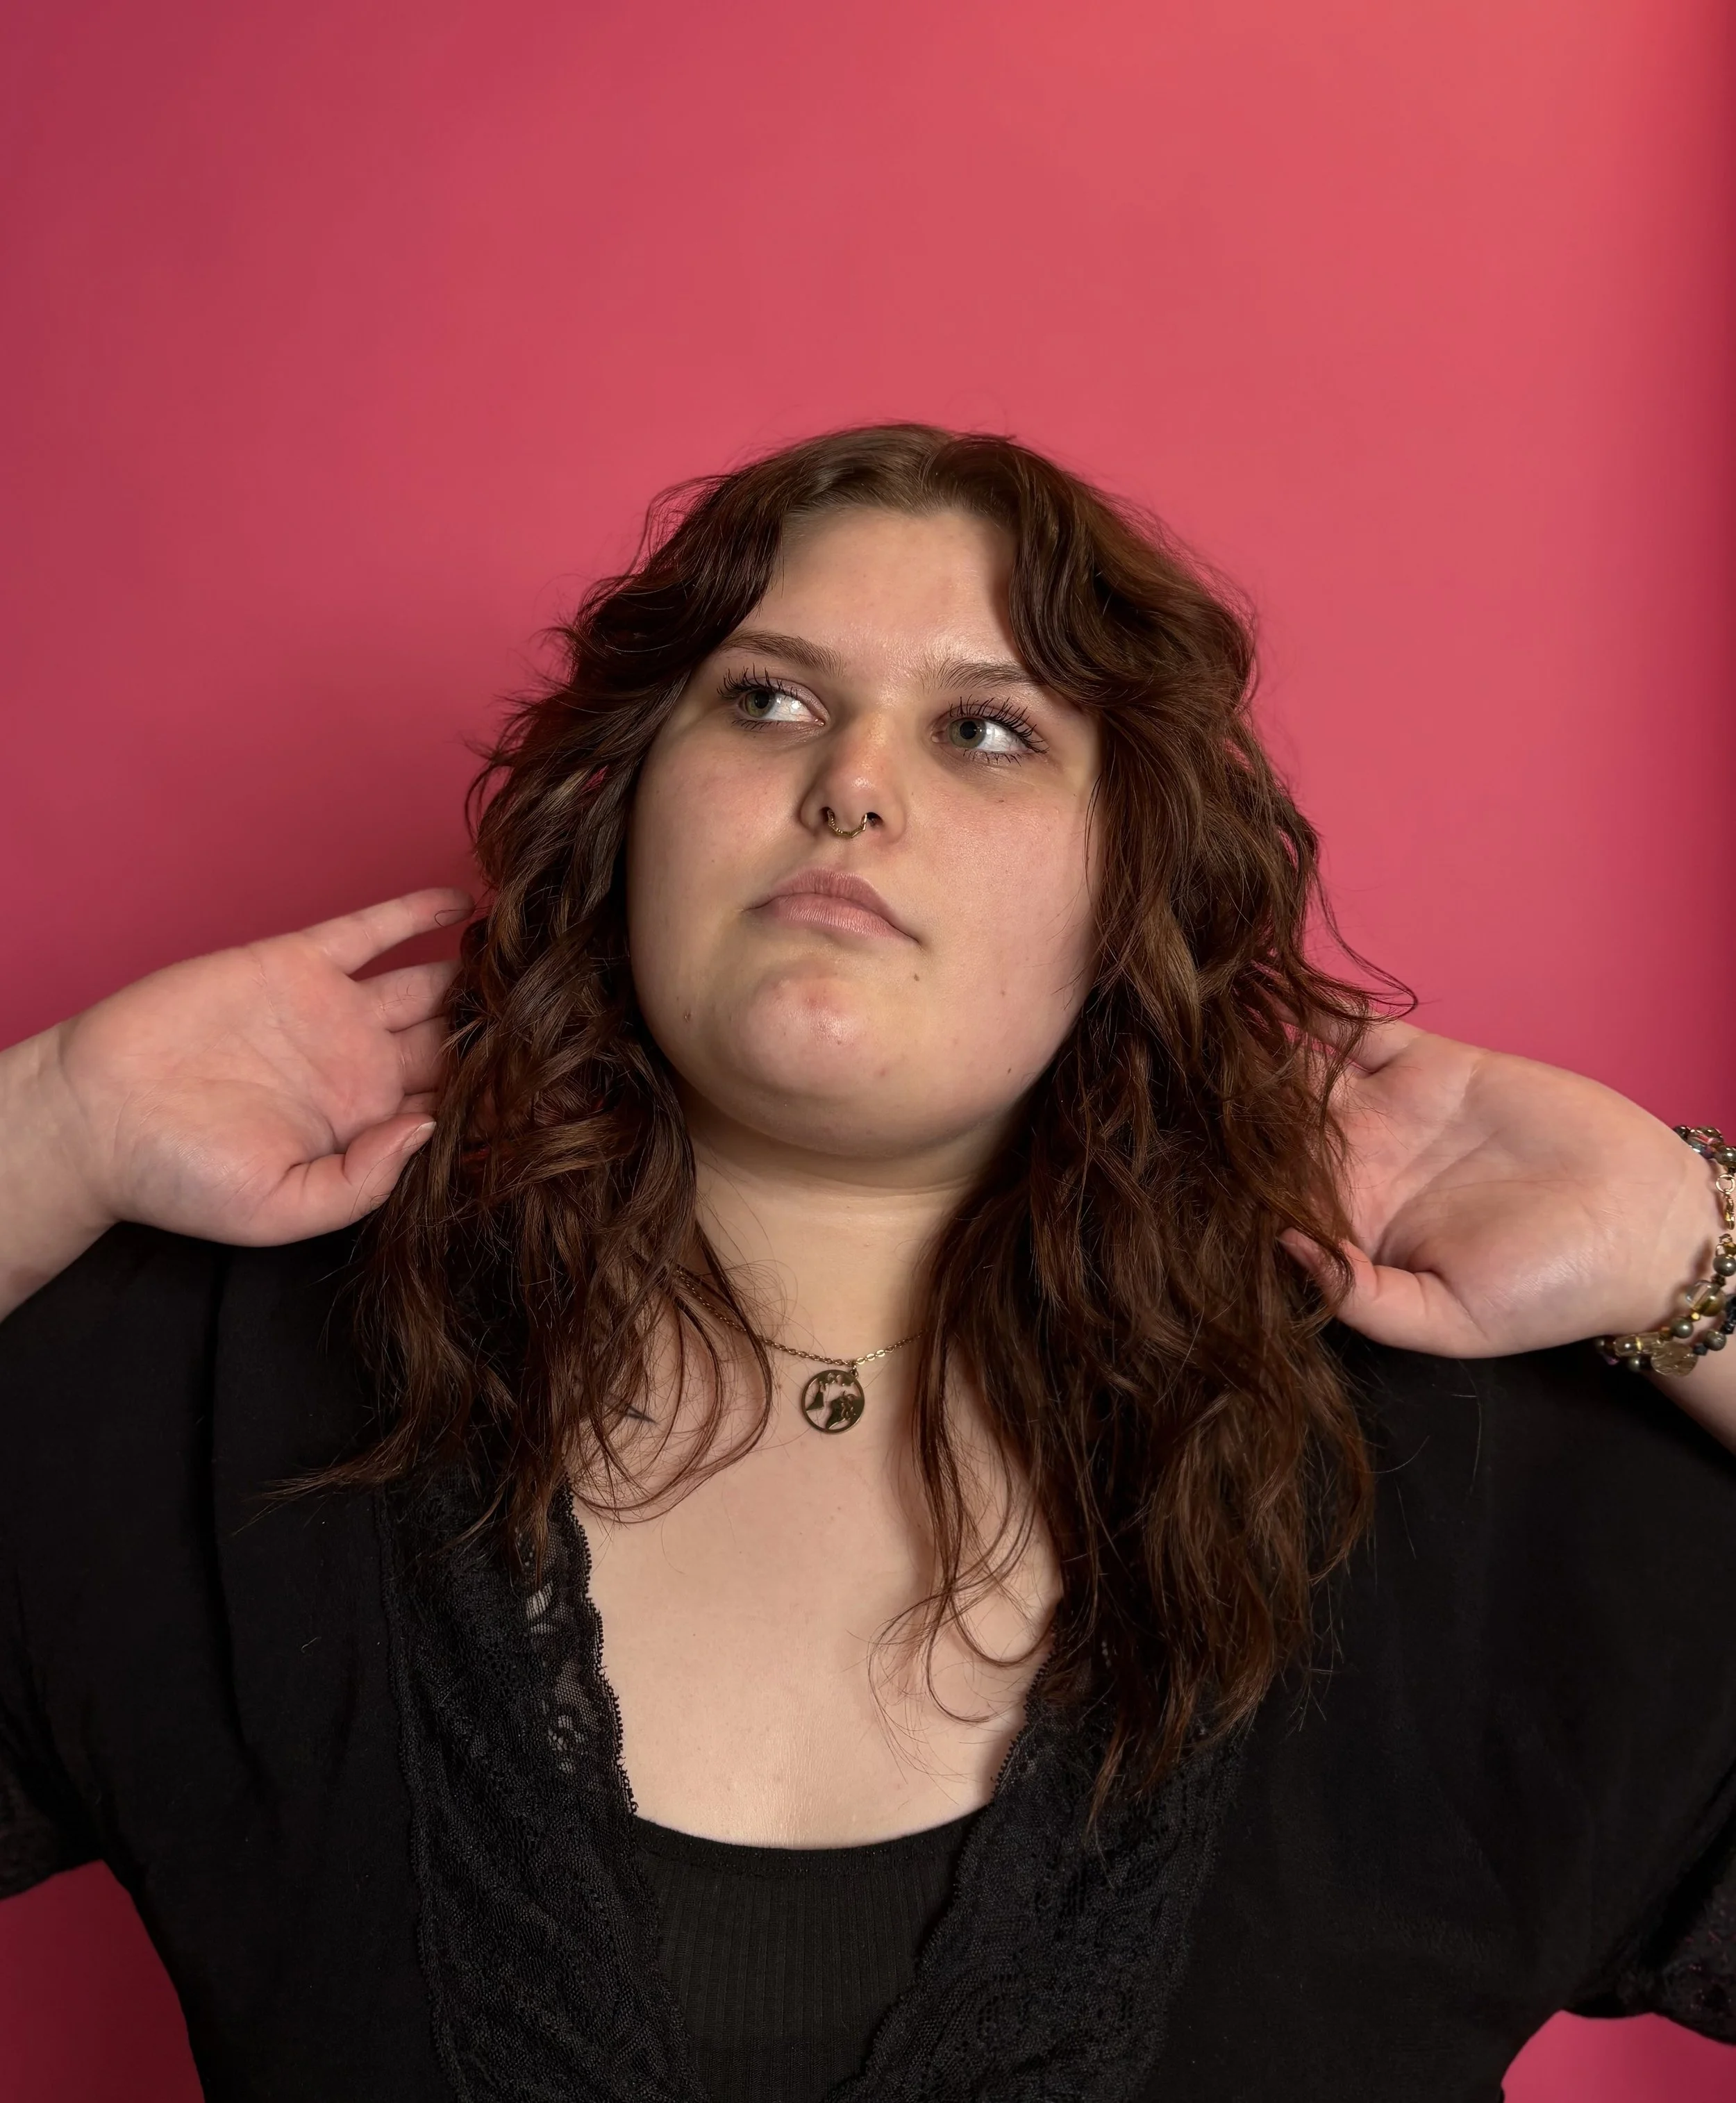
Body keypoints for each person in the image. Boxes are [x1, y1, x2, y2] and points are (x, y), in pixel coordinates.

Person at [1, 424, 1733, 2103]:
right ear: (623, 819)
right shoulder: (234, 1390)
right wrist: (51, 1128)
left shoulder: (1448, 1472)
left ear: (1132, 883)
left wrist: (1685, 1236)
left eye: (986, 728)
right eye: (767, 700)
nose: (849, 783)